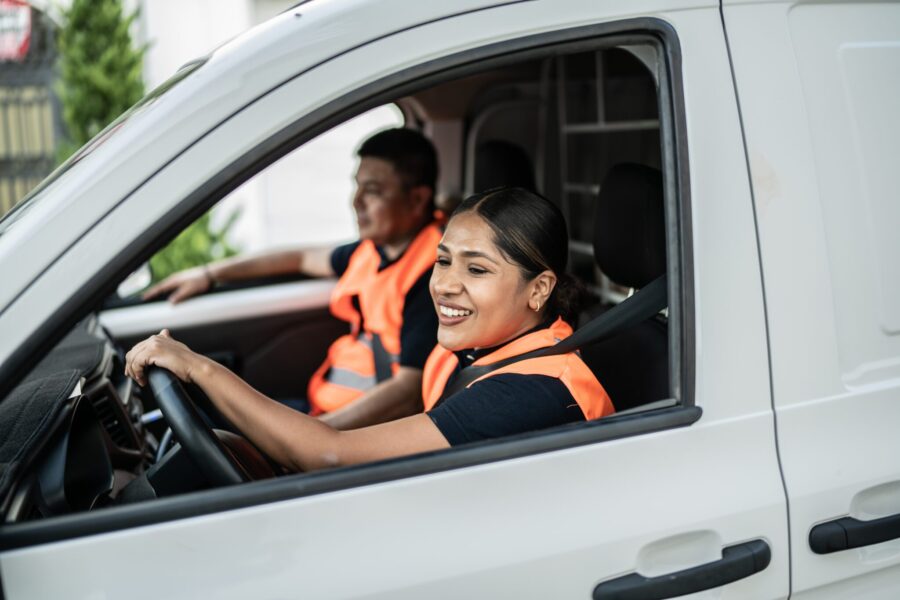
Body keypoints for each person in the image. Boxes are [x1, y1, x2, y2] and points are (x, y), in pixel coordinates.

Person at [125, 187, 614, 472]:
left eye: (477, 270)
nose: (445, 285)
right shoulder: (483, 347)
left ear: (538, 289)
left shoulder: (534, 392)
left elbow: (330, 453)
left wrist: (201, 369)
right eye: (442, 261)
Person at [142, 128, 442, 430]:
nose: (356, 201)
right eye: (357, 186)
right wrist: (210, 274)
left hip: (351, 434)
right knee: (202, 418)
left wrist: (315, 436)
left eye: (373, 191)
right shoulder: (372, 250)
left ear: (417, 200)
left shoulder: (436, 274)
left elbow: (408, 391)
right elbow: (299, 258)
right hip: (323, 415)